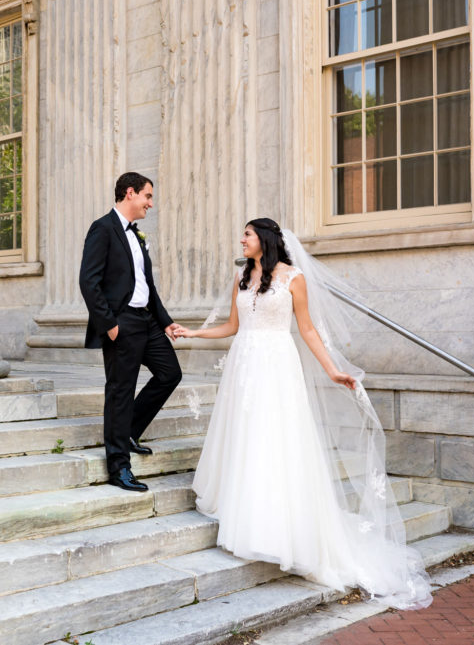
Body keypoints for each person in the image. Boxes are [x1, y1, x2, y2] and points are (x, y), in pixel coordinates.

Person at [176, 218, 432, 609]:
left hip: (278, 366)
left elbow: (308, 330)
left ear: (263, 239)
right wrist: (192, 333)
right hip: (244, 366)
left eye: (246, 234)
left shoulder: (293, 279)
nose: (241, 240)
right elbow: (231, 325)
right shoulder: (241, 277)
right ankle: (246, 516)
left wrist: (332, 370)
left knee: (275, 439)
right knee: (246, 437)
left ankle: (278, 528)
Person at [79, 172, 183, 492]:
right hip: (121, 322)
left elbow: (147, 285)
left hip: (147, 321)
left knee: (170, 373)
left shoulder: (137, 235)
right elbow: (89, 281)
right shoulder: (103, 228)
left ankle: (129, 430)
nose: (150, 204)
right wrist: (109, 325)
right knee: (120, 391)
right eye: (147, 196)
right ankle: (119, 466)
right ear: (130, 193)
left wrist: (164, 321)